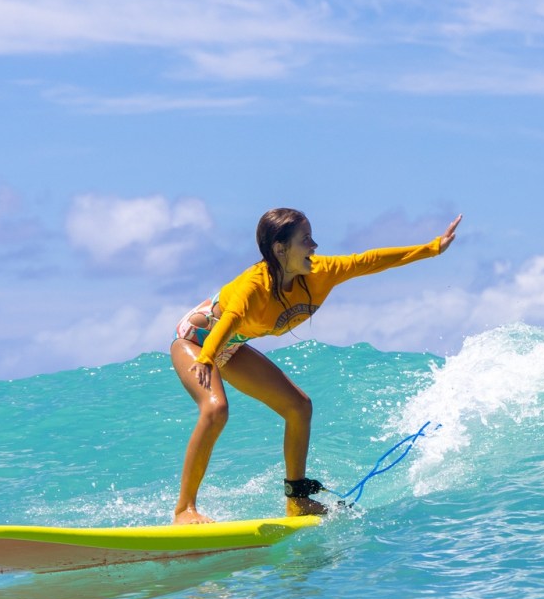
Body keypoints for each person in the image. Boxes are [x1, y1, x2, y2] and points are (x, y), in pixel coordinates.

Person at [170, 209, 462, 523]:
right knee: (216, 409)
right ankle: (185, 509)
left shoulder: (320, 272)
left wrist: (432, 248)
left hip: (233, 345)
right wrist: (205, 358)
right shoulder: (253, 287)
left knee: (299, 406)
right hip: (198, 340)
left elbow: (369, 260)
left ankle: (297, 500)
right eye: (305, 240)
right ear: (280, 249)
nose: (315, 245)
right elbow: (227, 323)